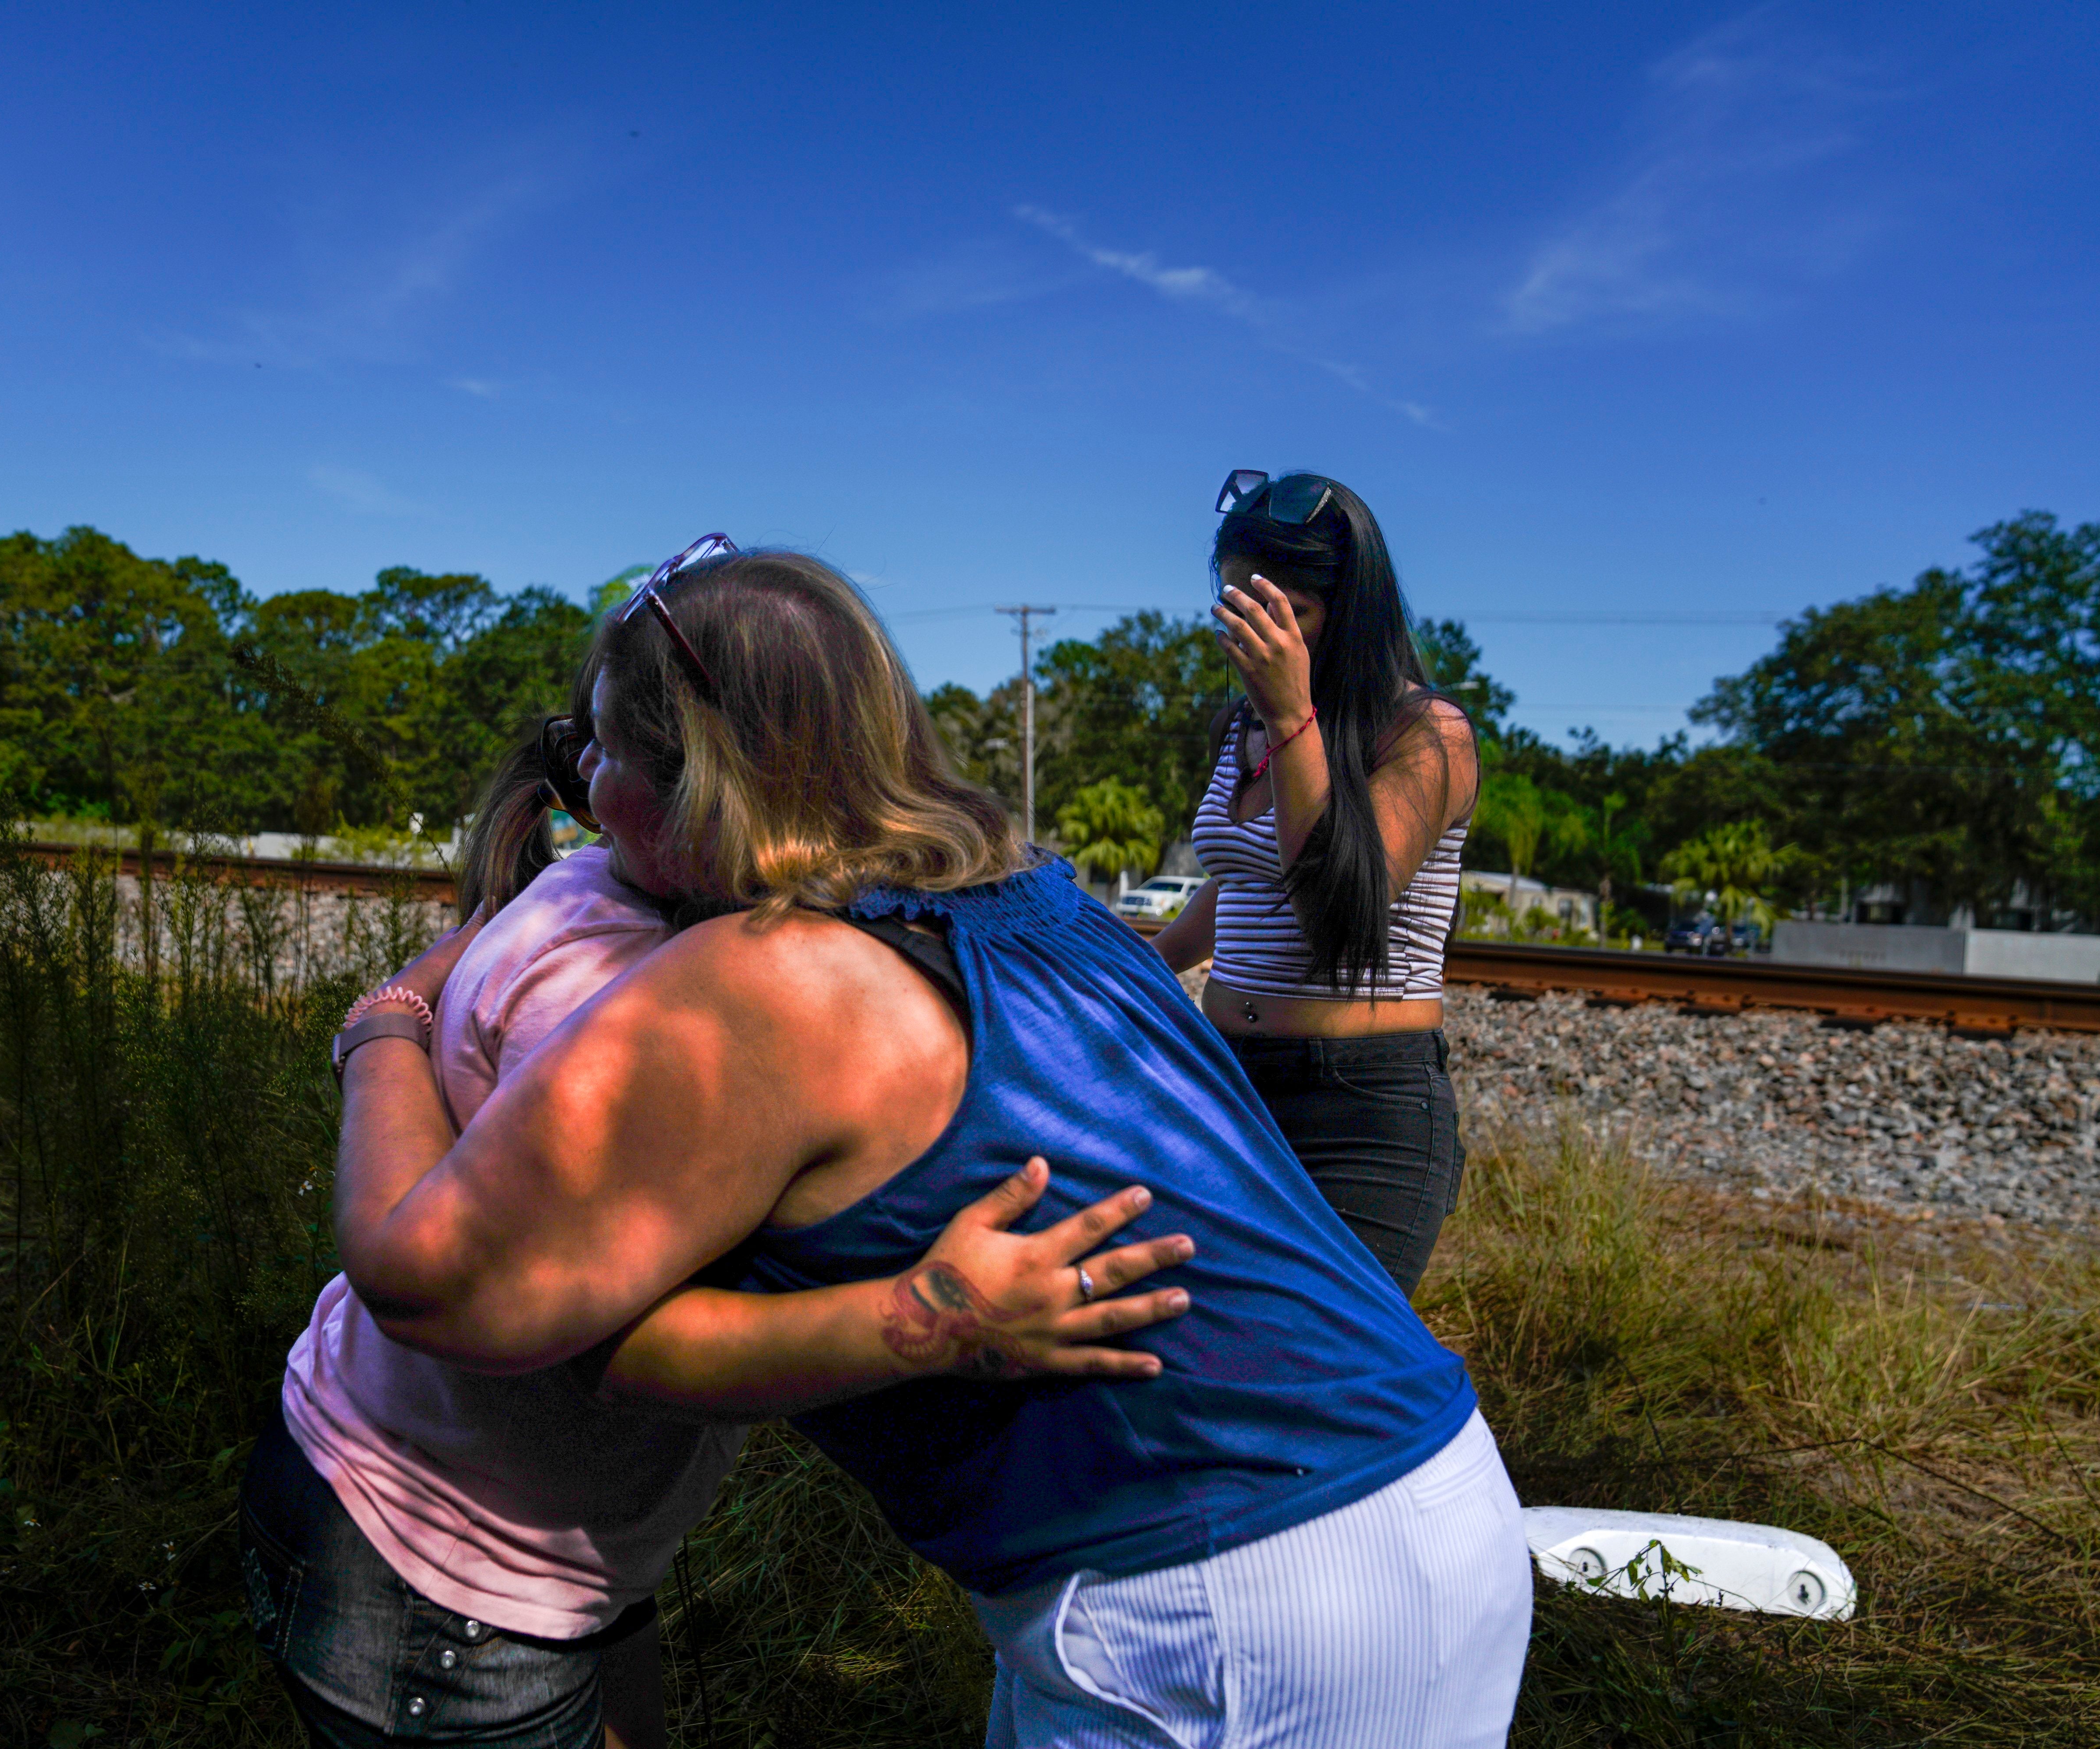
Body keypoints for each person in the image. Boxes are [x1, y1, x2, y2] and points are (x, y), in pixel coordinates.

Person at [332, 538, 1530, 1748]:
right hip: (1417, 1481)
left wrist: (383, 1027)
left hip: (1225, 1599)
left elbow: (429, 1281)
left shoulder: (768, 981)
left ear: (704, 779)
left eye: (609, 750)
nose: (585, 784)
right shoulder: (1036, 897)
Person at [242, 686, 1190, 1749]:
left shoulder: (620, 896)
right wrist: (932, 1316)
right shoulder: (613, 996)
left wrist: (387, 1016)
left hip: (508, 1537)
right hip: (447, 1568)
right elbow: (591, 1349)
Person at [1149, 471, 1481, 1297]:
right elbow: (1242, 882)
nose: (1254, 636)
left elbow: (1337, 902)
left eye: (1284, 613)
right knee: (1204, 1340)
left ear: (1351, 609)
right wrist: (1136, 965)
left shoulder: (1425, 733)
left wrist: (1290, 717)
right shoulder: (1242, 727)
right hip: (1228, 1079)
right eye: (1238, 609)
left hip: (1357, 1107)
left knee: (1324, 1356)